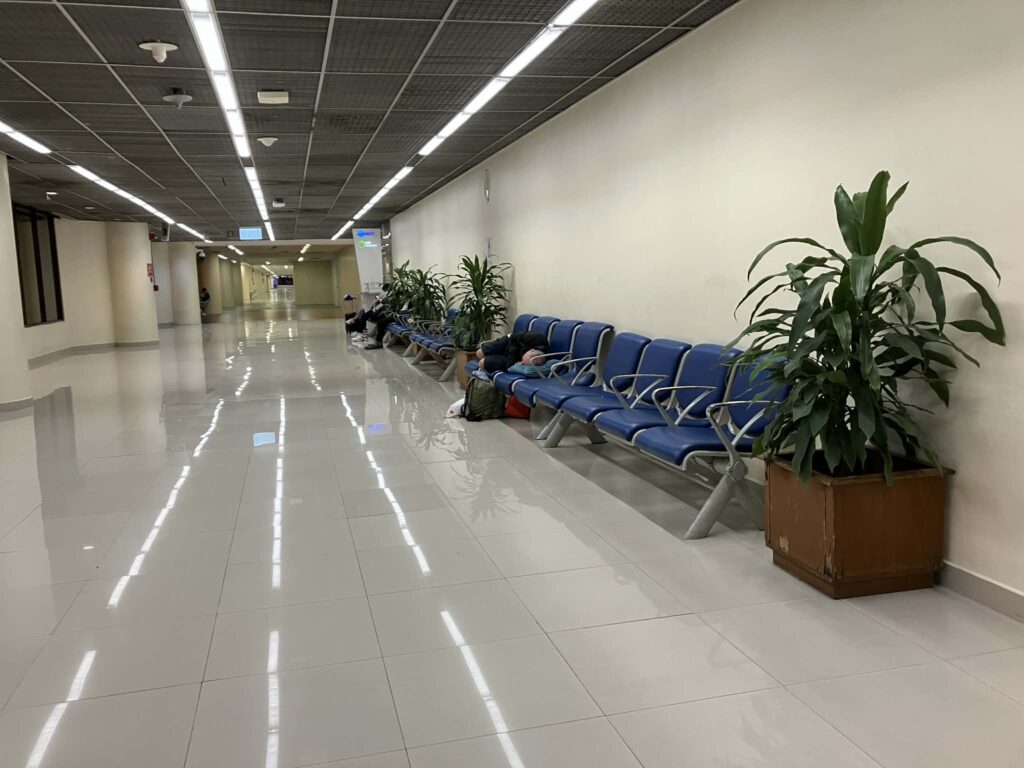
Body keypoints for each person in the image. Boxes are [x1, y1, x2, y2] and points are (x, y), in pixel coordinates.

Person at [474, 331, 550, 377]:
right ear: (532, 350)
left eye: (524, 363)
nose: (522, 362)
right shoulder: (535, 338)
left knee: (482, 363)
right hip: (508, 342)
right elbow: (514, 337)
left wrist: (518, 363)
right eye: (523, 359)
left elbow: (509, 367)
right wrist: (512, 355)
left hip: (510, 359)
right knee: (479, 353)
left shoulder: (540, 358)